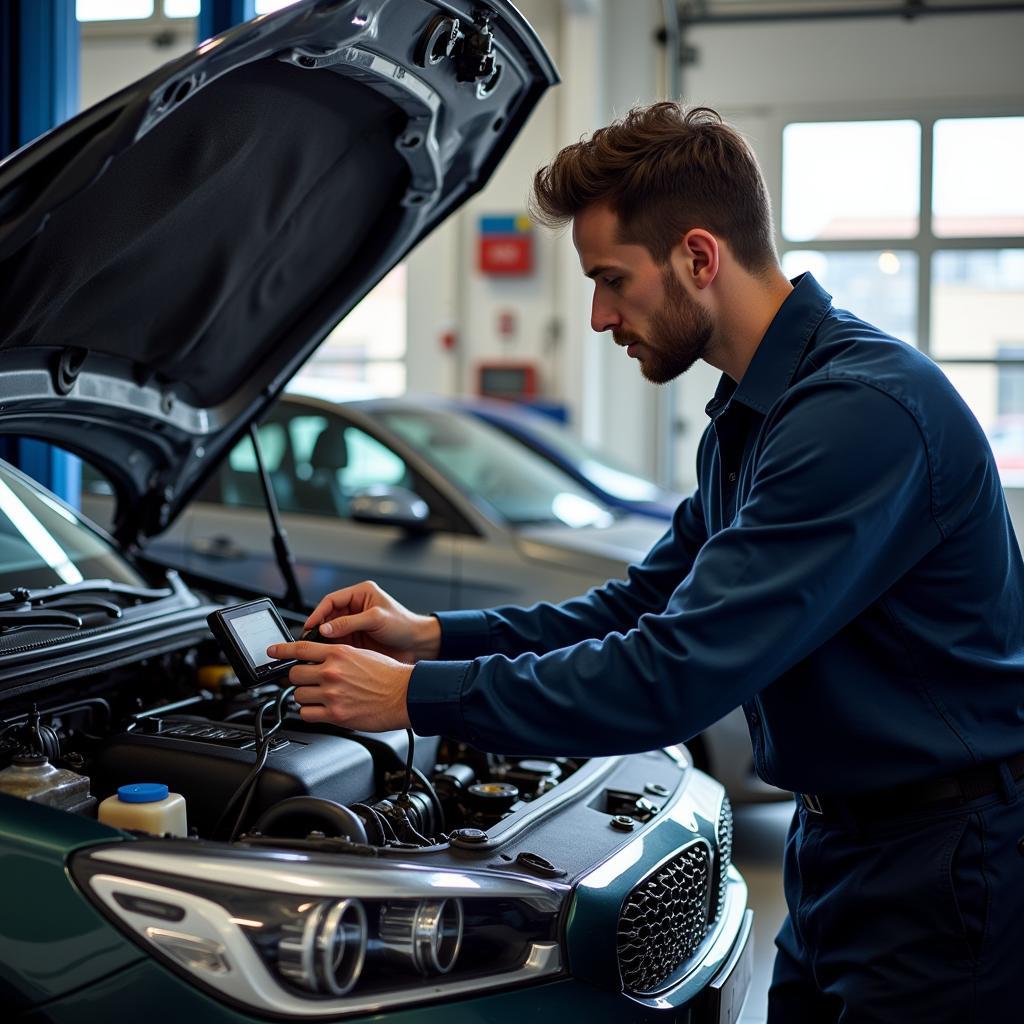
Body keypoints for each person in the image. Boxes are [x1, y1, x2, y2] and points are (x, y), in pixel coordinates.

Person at [267, 103, 1024, 1021]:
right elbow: (640, 607)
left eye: (612, 280)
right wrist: (427, 636)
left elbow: (676, 674)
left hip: (943, 868)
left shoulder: (858, 415)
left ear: (698, 258)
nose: (597, 316)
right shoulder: (753, 418)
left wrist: (413, 700)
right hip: (836, 852)